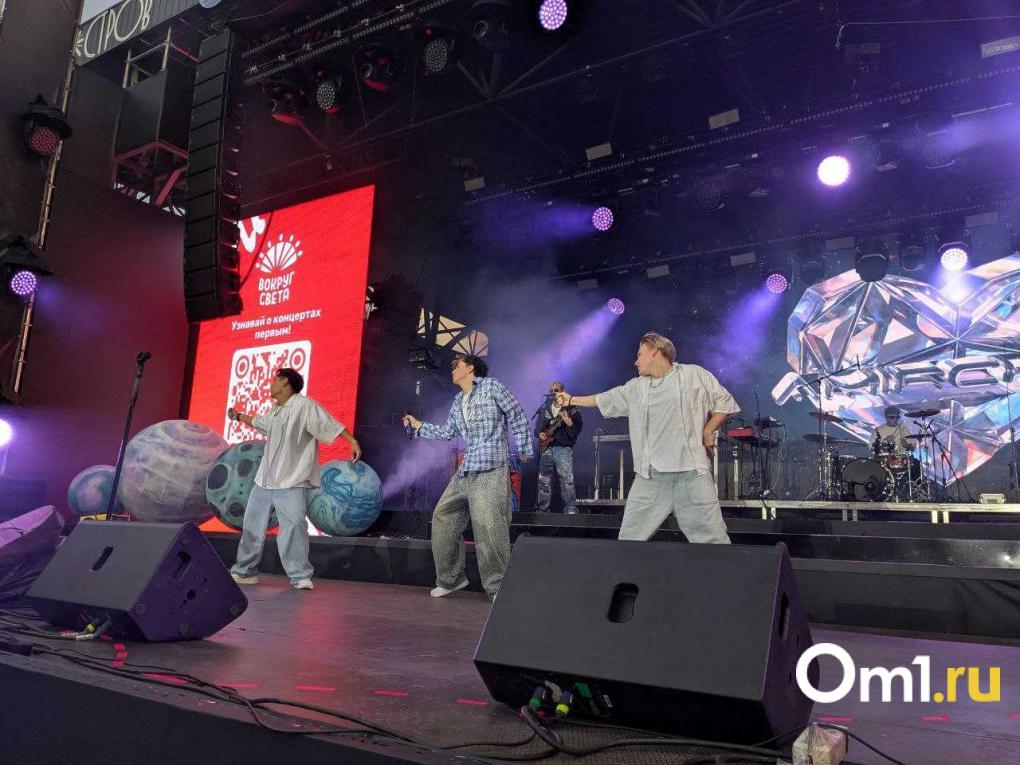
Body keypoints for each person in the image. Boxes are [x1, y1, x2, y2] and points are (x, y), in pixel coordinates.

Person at [555, 331, 739, 543]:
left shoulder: (694, 375)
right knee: (629, 539)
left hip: (692, 475)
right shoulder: (636, 387)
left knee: (714, 541)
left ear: (655, 351)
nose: (636, 361)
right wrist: (571, 400)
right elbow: (603, 399)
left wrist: (708, 430)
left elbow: (725, 402)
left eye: (640, 354)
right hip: (650, 477)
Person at [403, 355, 533, 600]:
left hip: (491, 467)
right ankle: (451, 579)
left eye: (457, 365)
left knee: (489, 527)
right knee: (443, 517)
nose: (452, 369)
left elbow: (516, 413)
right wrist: (419, 425)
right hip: (466, 471)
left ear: (470, 368)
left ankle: (499, 588)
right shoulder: (457, 401)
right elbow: (448, 432)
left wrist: (525, 447)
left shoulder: (492, 386)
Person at [227, 368, 361, 590]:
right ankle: (244, 571)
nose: (270, 384)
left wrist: (352, 440)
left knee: (294, 526)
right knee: (252, 525)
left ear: (284, 382)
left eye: (274, 380)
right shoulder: (275, 411)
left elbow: (327, 423)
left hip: (291, 479)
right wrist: (238, 416)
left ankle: (300, 576)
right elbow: (259, 422)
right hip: (264, 480)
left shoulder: (304, 405)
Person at [534, 381, 582, 514]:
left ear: (563, 391)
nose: (553, 393)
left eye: (556, 390)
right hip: (547, 448)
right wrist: (539, 433)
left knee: (566, 480)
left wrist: (569, 424)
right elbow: (538, 426)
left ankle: (570, 509)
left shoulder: (571, 407)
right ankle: (543, 509)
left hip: (563, 448)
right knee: (544, 480)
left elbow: (578, 427)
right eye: (551, 391)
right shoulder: (546, 406)